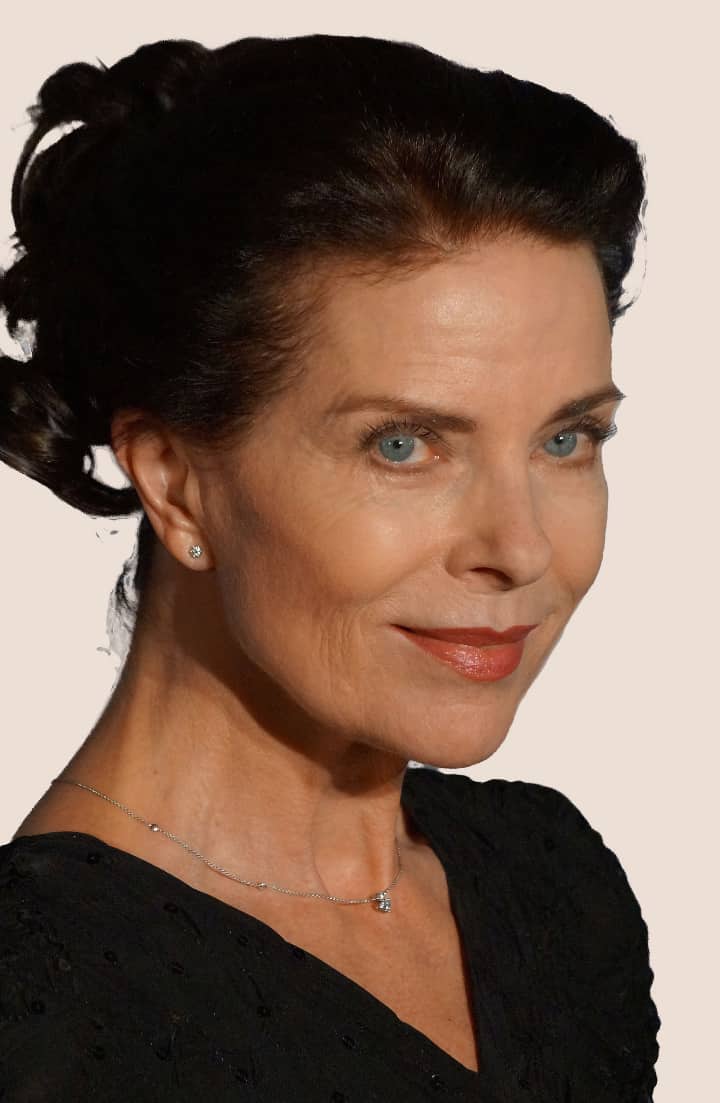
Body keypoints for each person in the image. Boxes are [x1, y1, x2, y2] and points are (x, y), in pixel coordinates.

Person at [0, 32, 660, 1102]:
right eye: (403, 444)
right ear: (176, 482)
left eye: (566, 438)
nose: (521, 546)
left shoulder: (551, 887)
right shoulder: (40, 1010)